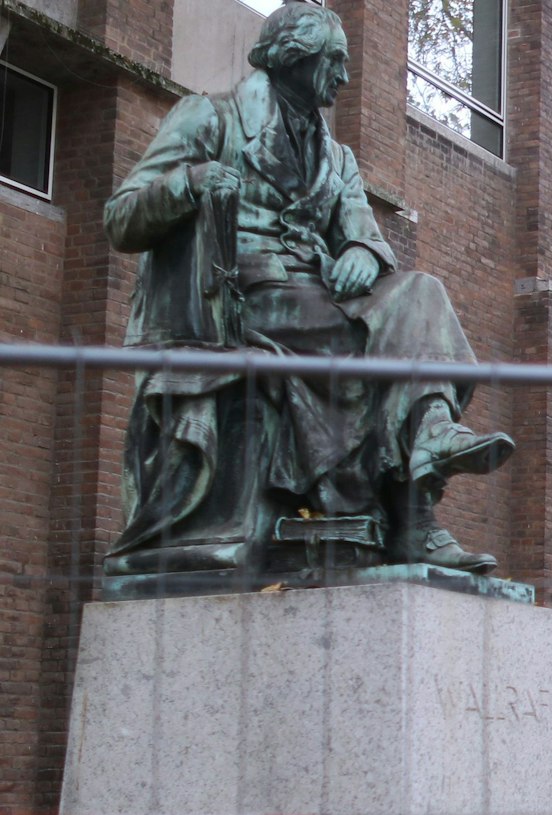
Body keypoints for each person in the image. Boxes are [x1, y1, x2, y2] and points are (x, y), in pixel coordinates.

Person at [103, 2, 511, 577]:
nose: (344, 76)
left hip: (315, 298)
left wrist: (362, 253)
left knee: (420, 293)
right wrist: (189, 182)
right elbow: (121, 218)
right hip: (236, 302)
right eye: (334, 61)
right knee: (378, 344)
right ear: (293, 57)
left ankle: (432, 438)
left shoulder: (337, 158)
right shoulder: (211, 117)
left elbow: (367, 234)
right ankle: (414, 515)